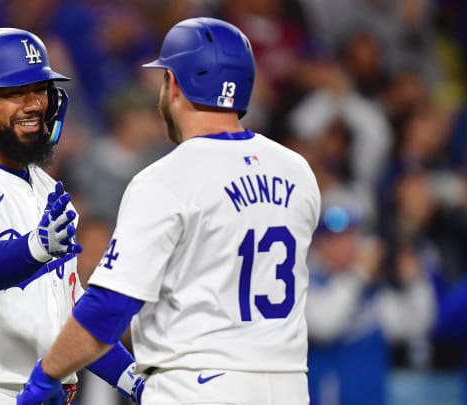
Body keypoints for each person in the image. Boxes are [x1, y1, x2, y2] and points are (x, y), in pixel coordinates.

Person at [18, 17, 322, 405]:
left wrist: (47, 373)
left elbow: (109, 308)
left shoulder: (166, 179)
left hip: (198, 385)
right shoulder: (296, 170)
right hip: (289, 385)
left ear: (175, 85)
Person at [0, 28, 145, 405]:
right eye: (14, 92)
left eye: (40, 89)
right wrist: (35, 246)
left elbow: (71, 312)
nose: (34, 103)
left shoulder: (47, 187)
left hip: (50, 395)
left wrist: (133, 380)